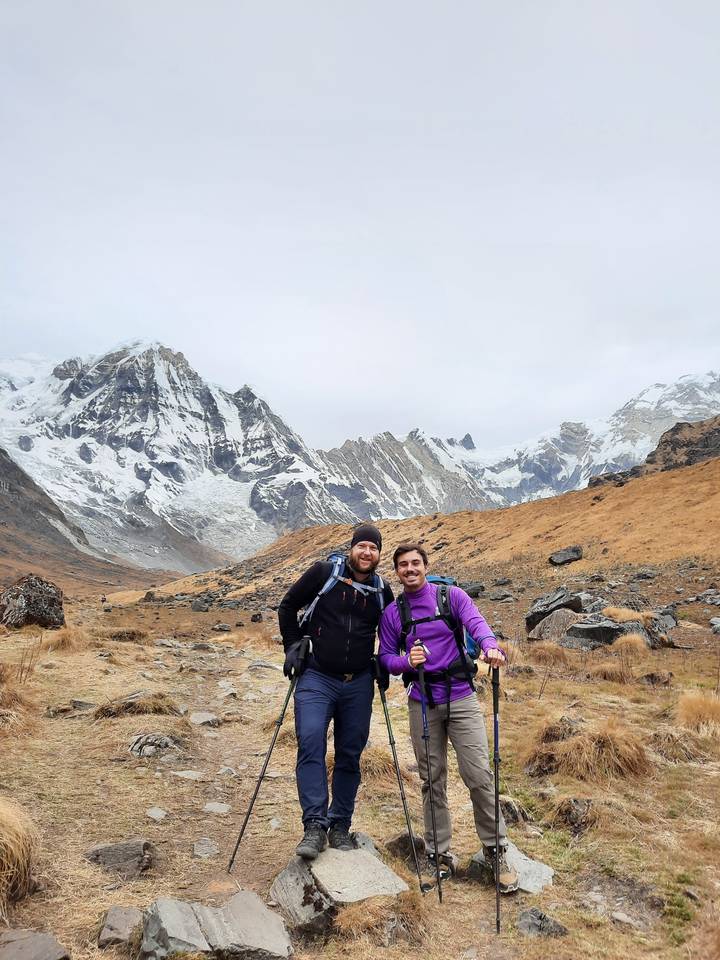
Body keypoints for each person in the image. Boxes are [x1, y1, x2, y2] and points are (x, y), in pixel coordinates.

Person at [378, 543, 519, 893]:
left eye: (415, 563)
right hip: (421, 701)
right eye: (402, 565)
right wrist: (406, 662)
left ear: (425, 566)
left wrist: (490, 646)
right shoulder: (393, 613)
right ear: (396, 572)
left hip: (460, 696)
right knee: (431, 780)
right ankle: (438, 855)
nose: (409, 569)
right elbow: (385, 659)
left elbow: (477, 624)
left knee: (479, 775)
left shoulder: (451, 596)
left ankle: (495, 850)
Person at [278, 523, 394, 860]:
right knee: (311, 741)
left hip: (358, 682)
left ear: (378, 554)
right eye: (362, 546)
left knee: (350, 753)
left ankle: (339, 824)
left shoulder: (382, 590)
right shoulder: (323, 573)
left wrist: (384, 665)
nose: (367, 552)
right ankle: (314, 825)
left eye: (373, 548)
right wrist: (292, 646)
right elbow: (288, 606)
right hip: (316, 676)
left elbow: (389, 633)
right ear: (352, 548)